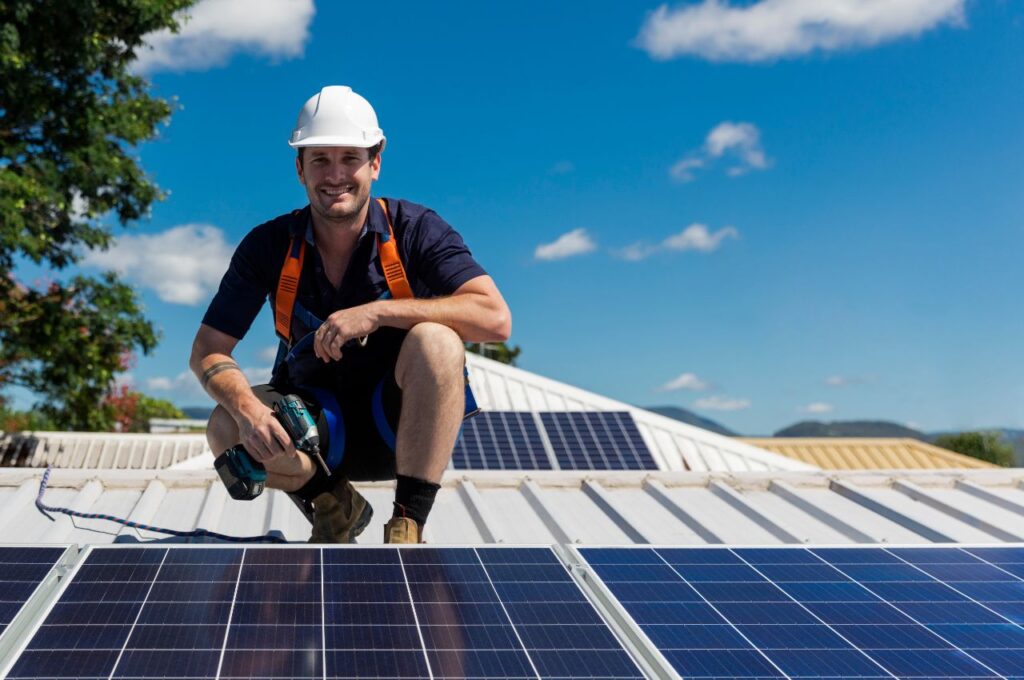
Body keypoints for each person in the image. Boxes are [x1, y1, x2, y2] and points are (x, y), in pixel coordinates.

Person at [189, 85, 511, 544]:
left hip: (399, 425)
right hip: (318, 437)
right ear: (299, 169)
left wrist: (378, 314)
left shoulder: (416, 230)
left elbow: (495, 318)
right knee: (224, 424)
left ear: (375, 163)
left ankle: (407, 524)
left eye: (350, 158)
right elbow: (207, 350)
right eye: (320, 159)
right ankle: (333, 504)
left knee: (438, 342)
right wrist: (246, 411)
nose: (335, 174)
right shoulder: (268, 246)